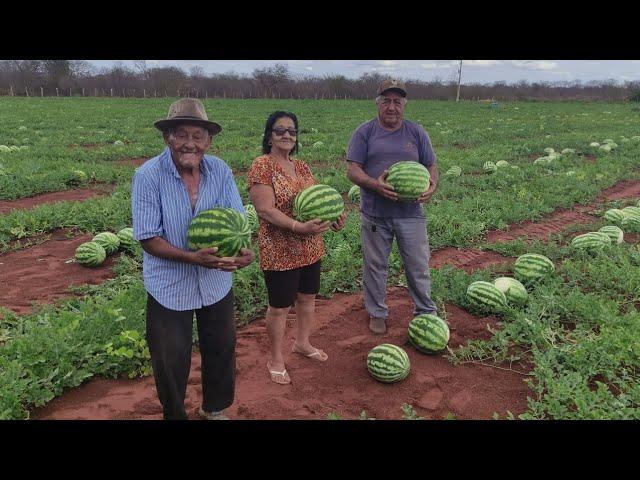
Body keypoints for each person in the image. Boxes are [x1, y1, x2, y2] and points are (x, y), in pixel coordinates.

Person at [132, 98, 255, 420]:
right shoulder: (148, 175)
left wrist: (243, 252)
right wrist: (192, 257)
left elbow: (237, 219)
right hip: (169, 284)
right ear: (167, 137)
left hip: (215, 280)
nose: (190, 143)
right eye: (181, 134)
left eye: (198, 136)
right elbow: (148, 237)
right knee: (170, 357)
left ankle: (214, 409)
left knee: (221, 347)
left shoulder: (221, 170)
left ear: (208, 140)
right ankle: (175, 414)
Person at [248, 111, 346, 385]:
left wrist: (334, 217)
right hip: (280, 249)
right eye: (280, 130)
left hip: (310, 246)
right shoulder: (262, 165)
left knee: (307, 298)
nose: (287, 135)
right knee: (279, 307)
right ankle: (275, 359)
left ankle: (302, 343)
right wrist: (297, 227)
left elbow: (318, 199)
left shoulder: (301, 167)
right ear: (269, 136)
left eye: (292, 130)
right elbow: (265, 210)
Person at [346, 80, 439, 335]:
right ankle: (377, 313)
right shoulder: (364, 132)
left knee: (418, 265)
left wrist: (431, 185)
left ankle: (425, 312)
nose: (391, 106)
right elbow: (353, 170)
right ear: (378, 103)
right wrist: (375, 185)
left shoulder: (416, 132)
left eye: (397, 101)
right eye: (386, 101)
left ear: (404, 105)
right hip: (375, 213)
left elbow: (431, 165)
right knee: (375, 266)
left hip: (411, 215)